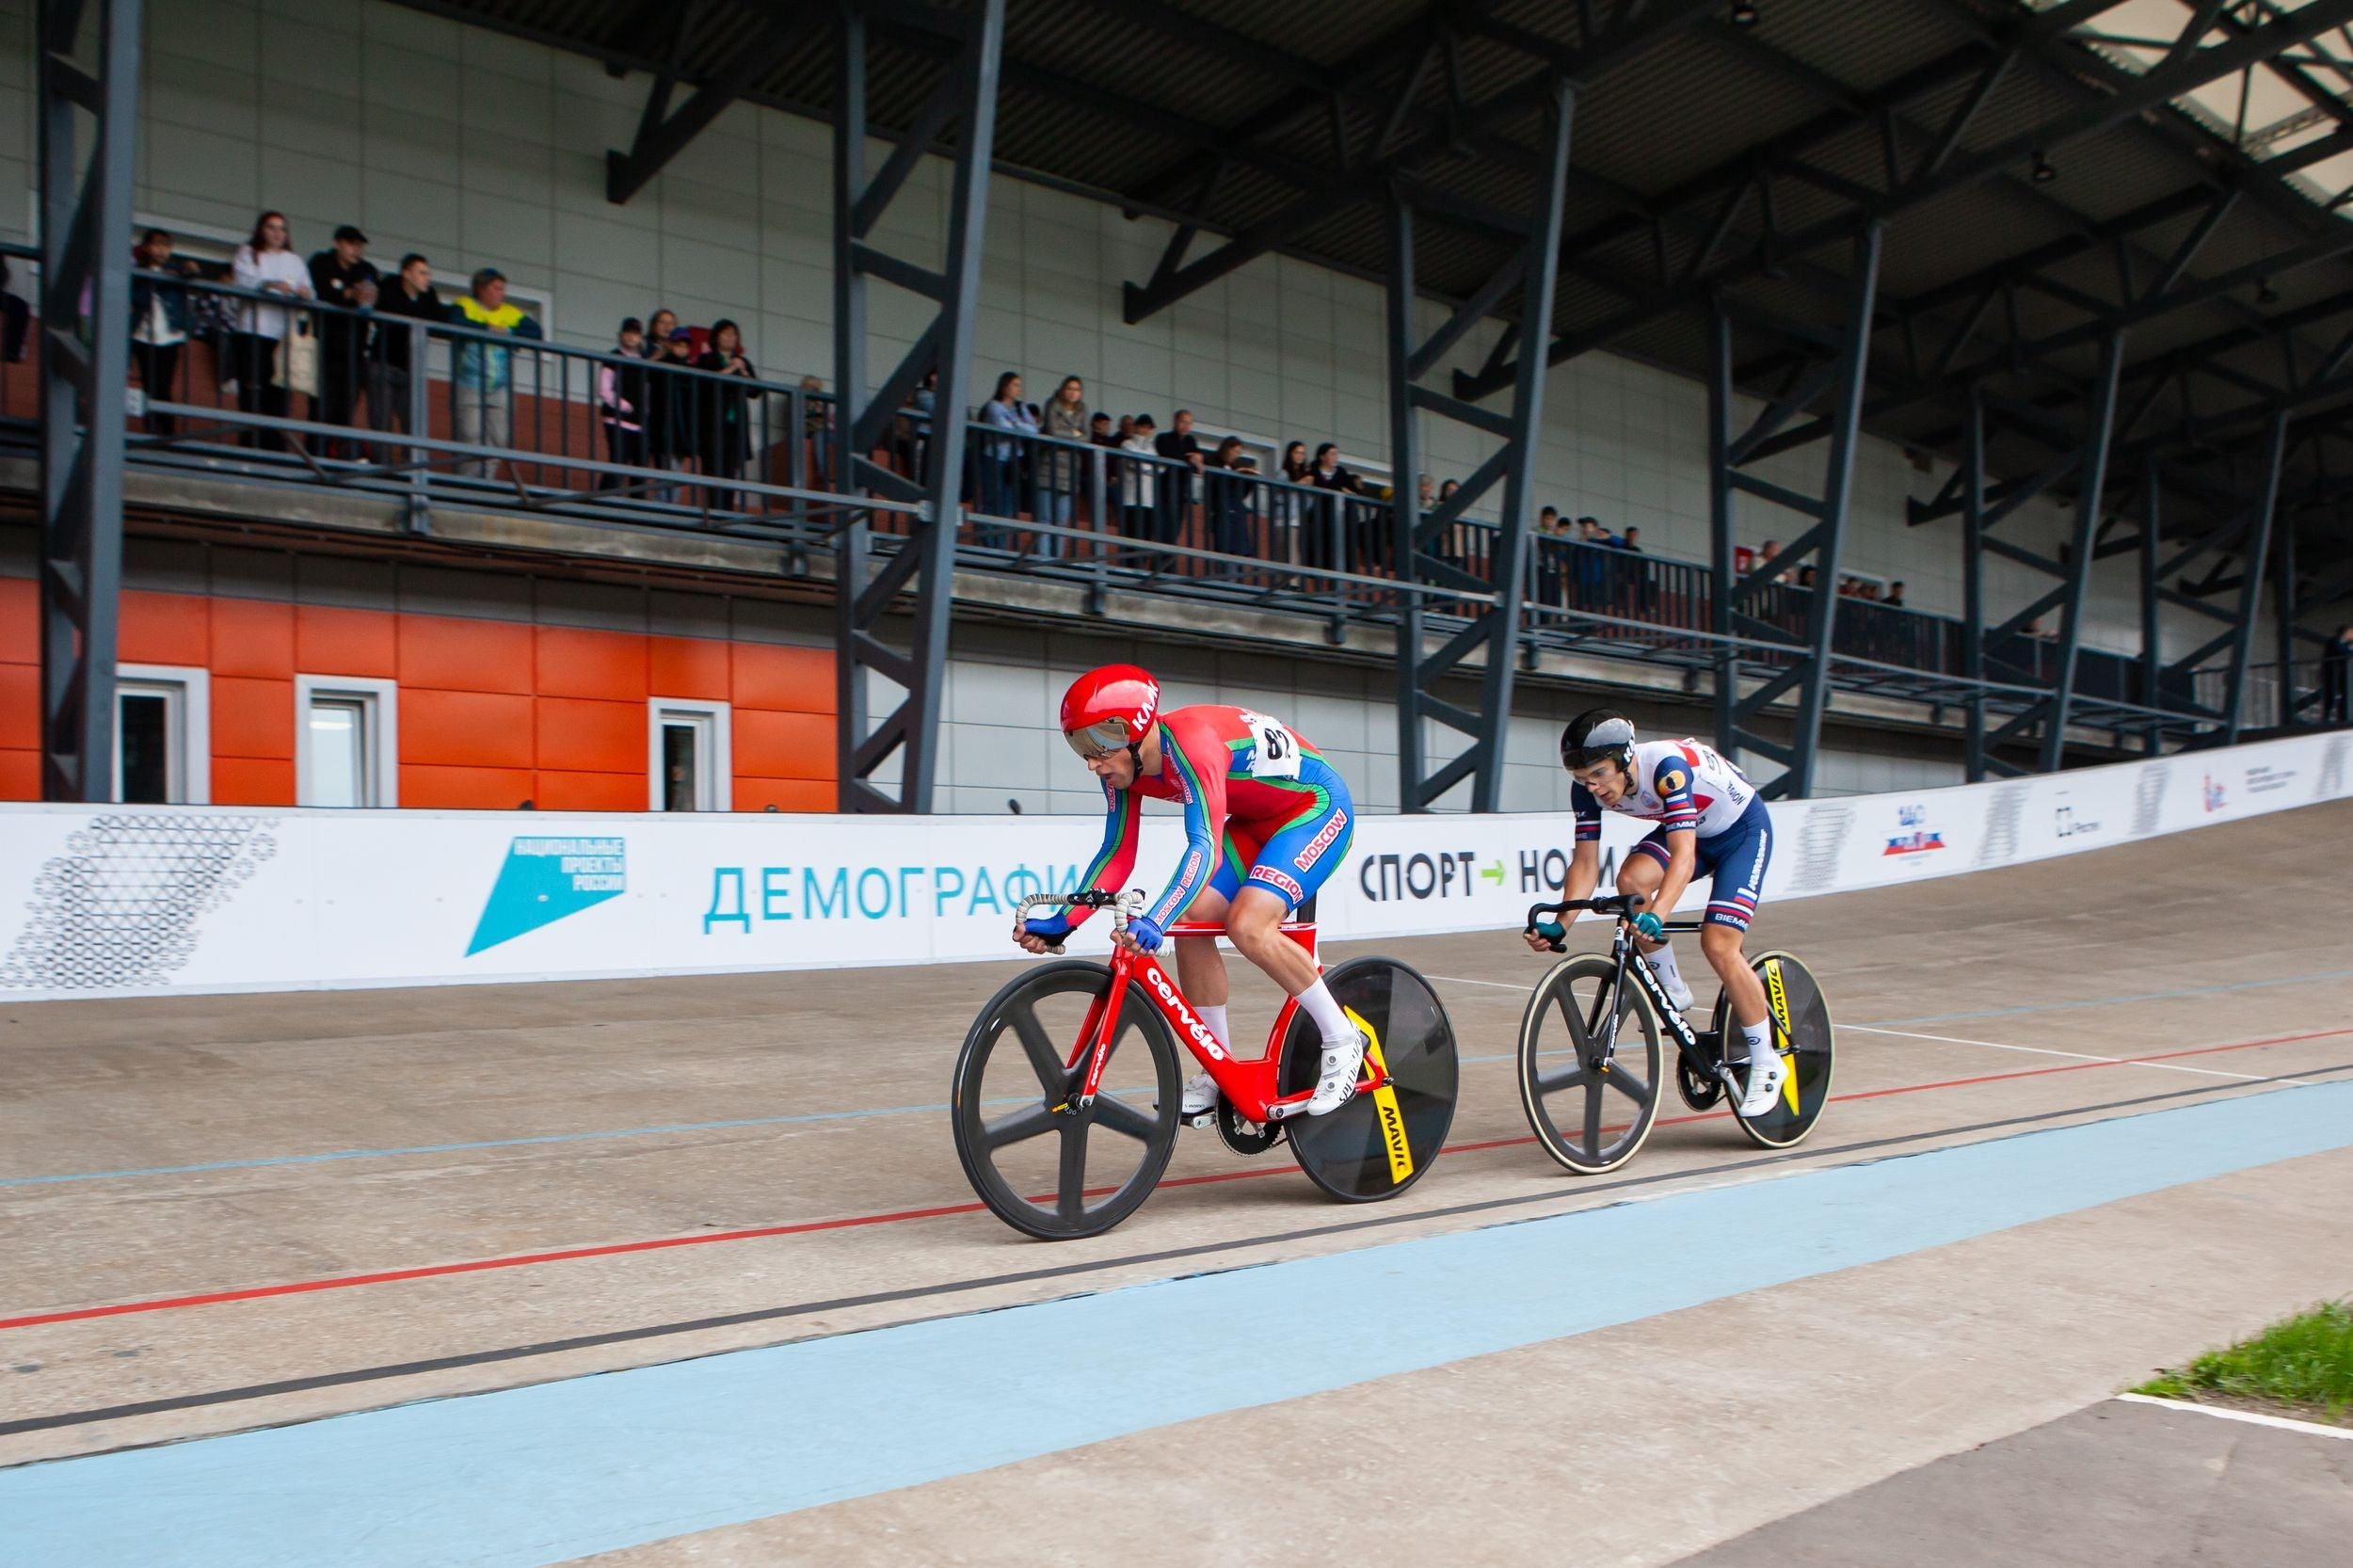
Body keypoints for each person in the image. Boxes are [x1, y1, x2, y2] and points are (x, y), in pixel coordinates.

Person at [1017, 666, 1366, 1118]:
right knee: (1191, 921)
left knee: (1248, 925)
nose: (1090, 762)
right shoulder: (1123, 769)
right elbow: (1117, 852)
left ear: (1134, 731)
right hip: (1254, 822)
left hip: (1315, 807)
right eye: (1080, 746)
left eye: (1097, 746)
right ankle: (1219, 1072)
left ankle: (1342, 1038)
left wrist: (1154, 920)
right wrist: (1066, 920)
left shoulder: (1193, 747)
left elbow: (1204, 847)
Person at [1532, 710, 1785, 1119]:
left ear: (1625, 758)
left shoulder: (1668, 770)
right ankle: (1673, 989)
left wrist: (1659, 913)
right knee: (1630, 881)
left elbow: (1684, 859)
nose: (1594, 787)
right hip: (1692, 831)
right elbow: (1585, 865)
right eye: (1582, 779)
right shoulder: (1589, 790)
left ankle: (1766, 1062)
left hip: (1742, 833)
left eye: (1599, 774)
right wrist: (1561, 923)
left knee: (1719, 943)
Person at [229, 211, 313, 450]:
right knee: (252, 390)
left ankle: (274, 449)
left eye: (282, 228)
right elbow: (243, 280)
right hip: (252, 330)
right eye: (271, 227)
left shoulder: (294, 260)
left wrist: (304, 293)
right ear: (261, 230)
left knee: (279, 393)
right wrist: (269, 285)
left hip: (282, 335)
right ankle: (251, 446)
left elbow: (308, 289)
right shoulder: (248, 252)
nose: (277, 233)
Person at [448, 266, 542, 475]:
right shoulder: (466, 305)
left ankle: (484, 483)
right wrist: (487, 329)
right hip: (470, 383)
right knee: (470, 434)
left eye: (502, 289)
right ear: (481, 289)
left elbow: (536, 332)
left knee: (499, 439)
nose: (501, 293)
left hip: (500, 386)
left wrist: (508, 331)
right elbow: (453, 321)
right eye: (497, 288)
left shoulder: (509, 312)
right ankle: (468, 484)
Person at [307, 224, 377, 451]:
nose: (356, 250)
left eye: (359, 245)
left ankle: (333, 464)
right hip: (324, 350)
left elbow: (370, 296)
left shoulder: (366, 269)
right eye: (351, 244)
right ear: (337, 243)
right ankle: (315, 460)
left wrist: (359, 295)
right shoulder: (321, 262)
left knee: (345, 412)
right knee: (321, 411)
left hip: (354, 353)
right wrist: (348, 294)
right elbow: (320, 291)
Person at [129, 229, 197, 435]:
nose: (161, 250)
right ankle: (151, 430)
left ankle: (166, 433)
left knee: (163, 386)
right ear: (147, 247)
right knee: (150, 386)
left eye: (166, 246)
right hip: (143, 335)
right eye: (157, 245)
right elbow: (137, 299)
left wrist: (188, 267)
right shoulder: (137, 273)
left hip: (169, 337)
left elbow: (192, 272)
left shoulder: (174, 271)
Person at [367, 252, 441, 437]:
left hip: (411, 368)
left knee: (413, 424)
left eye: (428, 273)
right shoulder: (388, 287)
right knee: (381, 422)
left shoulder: (429, 295)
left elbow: (438, 320)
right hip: (384, 363)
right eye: (422, 273)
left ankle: (411, 465)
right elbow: (387, 314)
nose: (427, 278)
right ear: (407, 274)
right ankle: (381, 464)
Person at [695, 318, 759, 508]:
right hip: (713, 425)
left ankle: (726, 513)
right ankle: (713, 512)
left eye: (733, 334)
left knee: (731, 472)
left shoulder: (743, 362)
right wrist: (731, 368)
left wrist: (744, 372)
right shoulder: (707, 359)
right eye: (725, 333)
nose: (730, 338)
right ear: (716, 337)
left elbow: (755, 391)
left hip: (735, 426)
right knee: (713, 470)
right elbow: (705, 383)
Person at [976, 370, 1036, 546]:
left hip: (1013, 461)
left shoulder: (1020, 407)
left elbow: (1034, 430)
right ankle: (987, 544)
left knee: (1007, 505)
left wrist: (1015, 425)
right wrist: (1019, 426)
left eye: (1019, 385)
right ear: (1005, 386)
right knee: (991, 502)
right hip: (994, 457)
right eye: (1015, 385)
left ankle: (1000, 545)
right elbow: (1003, 427)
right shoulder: (994, 406)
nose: (1018, 389)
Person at [1037, 375, 1088, 559]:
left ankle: (1055, 560)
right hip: (1048, 467)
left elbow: (1087, 437)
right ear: (1062, 390)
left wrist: (1066, 436)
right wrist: (1074, 434)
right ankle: (1043, 558)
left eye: (1077, 389)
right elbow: (1052, 431)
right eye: (1070, 388)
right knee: (1045, 519)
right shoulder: (1052, 404)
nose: (1073, 393)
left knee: (1060, 520)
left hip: (1070, 471)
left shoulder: (1083, 409)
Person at [597, 317, 648, 485]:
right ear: (621, 335)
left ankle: (633, 504)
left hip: (638, 421)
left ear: (641, 337)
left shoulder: (643, 361)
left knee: (640, 466)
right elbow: (604, 389)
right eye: (628, 333)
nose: (631, 337)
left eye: (635, 334)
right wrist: (624, 406)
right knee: (619, 460)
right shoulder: (613, 357)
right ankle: (602, 500)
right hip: (616, 418)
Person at [1154, 408, 1208, 564]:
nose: (1186, 426)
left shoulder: (1190, 441)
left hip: (1181, 492)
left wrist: (1196, 458)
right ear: (1175, 422)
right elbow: (1168, 454)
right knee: (1163, 531)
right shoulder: (1163, 438)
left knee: (1175, 531)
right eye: (1183, 421)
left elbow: (1197, 457)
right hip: (1164, 490)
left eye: (1189, 423)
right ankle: (1158, 566)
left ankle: (1166, 566)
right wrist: (1189, 458)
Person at [1207, 434, 1255, 568]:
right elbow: (1215, 488)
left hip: (1236, 514)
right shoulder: (1213, 462)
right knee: (1226, 551)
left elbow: (1241, 494)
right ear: (1227, 449)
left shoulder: (1236, 467)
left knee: (1238, 553)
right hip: (1222, 512)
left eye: (1239, 453)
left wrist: (1249, 480)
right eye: (1235, 451)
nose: (1236, 455)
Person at [2322, 625, 2353, 725]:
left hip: (2341, 673)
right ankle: (2326, 718)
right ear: (2345, 632)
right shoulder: (2334, 641)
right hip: (2332, 673)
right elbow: (2342, 651)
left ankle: (2342, 716)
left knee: (2345, 694)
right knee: (2331, 695)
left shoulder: (2346, 643)